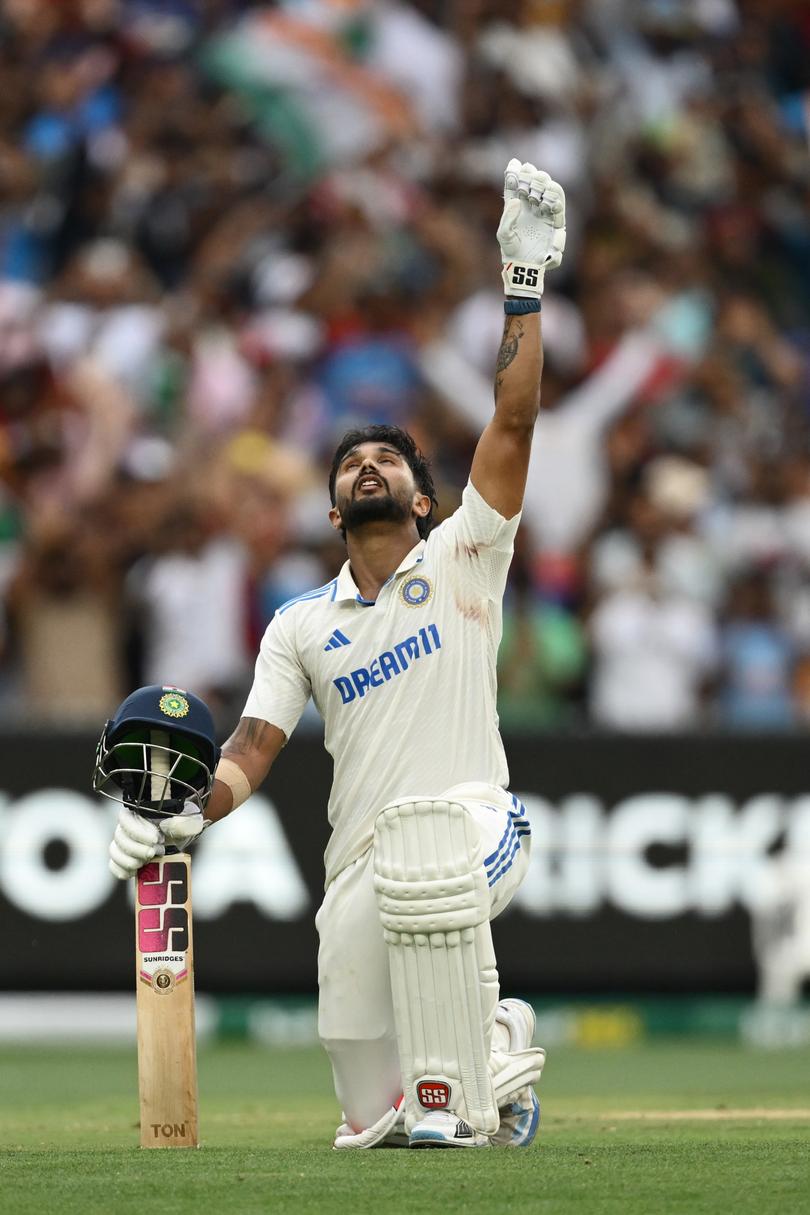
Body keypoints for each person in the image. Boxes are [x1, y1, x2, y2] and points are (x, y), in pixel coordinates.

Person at [107, 159, 566, 1149]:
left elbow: (515, 420)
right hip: (358, 868)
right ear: (331, 508)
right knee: (374, 1120)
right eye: (352, 461)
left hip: (474, 823)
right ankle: (493, 1047)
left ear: (423, 502)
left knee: (425, 882)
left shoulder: (466, 557)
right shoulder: (299, 622)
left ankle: (477, 1052)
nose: (368, 464)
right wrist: (186, 815)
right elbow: (256, 747)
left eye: (389, 460)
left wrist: (522, 282)